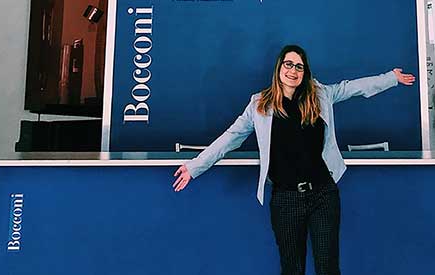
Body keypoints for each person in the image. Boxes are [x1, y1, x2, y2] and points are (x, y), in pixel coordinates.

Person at [172, 45, 415, 275]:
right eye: (288, 64)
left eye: (299, 67)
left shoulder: (319, 95)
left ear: (305, 72)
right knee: (292, 269)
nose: (293, 71)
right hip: (285, 200)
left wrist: (391, 78)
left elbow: (352, 88)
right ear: (279, 68)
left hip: (323, 195)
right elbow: (231, 137)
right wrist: (195, 166)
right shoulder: (259, 104)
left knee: (328, 268)